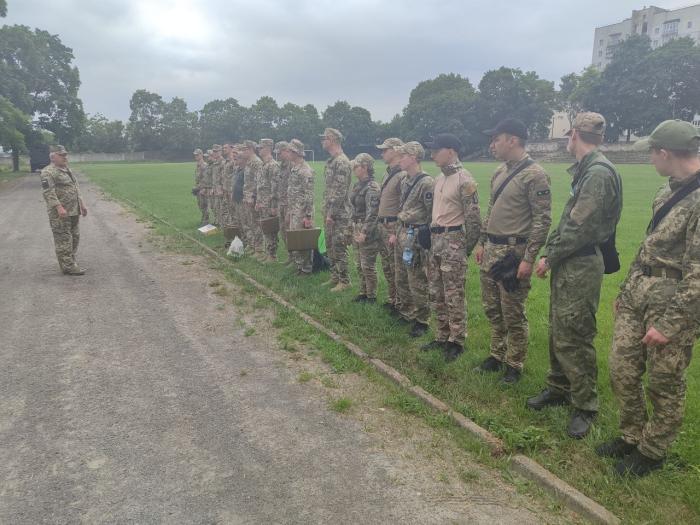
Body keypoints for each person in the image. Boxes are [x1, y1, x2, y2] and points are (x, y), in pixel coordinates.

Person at [597, 119, 700, 476]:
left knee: (664, 381)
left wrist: (670, 323)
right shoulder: (665, 191)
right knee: (621, 368)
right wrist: (626, 291)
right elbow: (646, 248)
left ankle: (652, 451)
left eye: (652, 153)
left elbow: (698, 272)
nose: (650, 159)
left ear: (665, 152)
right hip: (639, 293)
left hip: (673, 302)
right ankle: (631, 435)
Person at [527, 112, 623, 439]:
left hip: (580, 263)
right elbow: (568, 221)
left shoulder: (597, 173)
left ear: (573, 135)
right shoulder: (587, 169)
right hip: (571, 261)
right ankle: (559, 386)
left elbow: (578, 228)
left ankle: (585, 405)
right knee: (560, 327)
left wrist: (549, 256)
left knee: (576, 332)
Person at [474, 119, 552, 383]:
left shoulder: (535, 175)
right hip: (492, 249)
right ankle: (496, 354)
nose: (492, 144)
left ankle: (514, 363)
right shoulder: (499, 172)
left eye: (496, 139)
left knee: (513, 312)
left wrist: (528, 258)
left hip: (513, 253)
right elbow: (491, 209)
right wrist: (482, 241)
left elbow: (542, 219)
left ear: (513, 140)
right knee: (492, 308)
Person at [423, 134, 481, 361]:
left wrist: (464, 248)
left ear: (451, 151)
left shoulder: (464, 180)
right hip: (436, 240)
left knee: (454, 294)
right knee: (436, 291)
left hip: (453, 240)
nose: (432, 155)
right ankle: (441, 335)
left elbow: (473, 220)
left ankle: (456, 340)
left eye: (436, 150)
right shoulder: (439, 179)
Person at [393, 141, 435, 338]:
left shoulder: (427, 183)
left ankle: (422, 319)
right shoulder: (405, 180)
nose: (399, 160)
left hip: (416, 236)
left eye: (403, 156)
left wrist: (425, 237)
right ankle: (407, 311)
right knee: (401, 276)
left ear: (414, 157)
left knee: (417, 279)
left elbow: (431, 213)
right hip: (402, 232)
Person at [40, 145, 88, 275]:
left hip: (73, 210)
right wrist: (59, 207)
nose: (65, 157)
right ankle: (68, 266)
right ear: (53, 157)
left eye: (65, 155)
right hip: (60, 213)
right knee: (63, 239)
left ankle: (70, 260)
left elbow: (75, 187)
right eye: (61, 155)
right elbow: (48, 192)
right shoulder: (47, 172)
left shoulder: (67, 169)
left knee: (75, 236)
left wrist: (82, 204)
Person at [376, 138, 406, 314]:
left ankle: (401, 303)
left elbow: (403, 205)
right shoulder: (388, 173)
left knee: (397, 267)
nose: (382, 154)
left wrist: (396, 231)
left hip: (393, 225)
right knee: (387, 266)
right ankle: (393, 298)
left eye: (385, 150)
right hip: (383, 224)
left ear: (395, 150)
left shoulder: (402, 175)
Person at [320, 128, 352, 292]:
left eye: (324, 138)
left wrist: (331, 213)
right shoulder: (332, 161)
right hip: (330, 212)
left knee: (339, 246)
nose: (322, 141)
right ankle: (335, 276)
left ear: (332, 140)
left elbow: (340, 191)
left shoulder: (341, 162)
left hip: (338, 213)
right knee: (330, 246)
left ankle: (345, 281)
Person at [350, 153, 381, 303]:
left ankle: (371, 295)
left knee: (367, 265)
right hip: (357, 225)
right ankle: (363, 292)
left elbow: (373, 213)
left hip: (367, 228)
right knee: (358, 263)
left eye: (356, 166)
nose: (354, 169)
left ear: (365, 167)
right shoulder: (358, 185)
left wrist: (364, 232)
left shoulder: (372, 187)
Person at [285, 139, 315, 275]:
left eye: (290, 151)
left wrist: (308, 216)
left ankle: (306, 269)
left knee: (303, 241)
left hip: (302, 212)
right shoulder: (294, 168)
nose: (288, 153)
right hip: (294, 210)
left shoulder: (305, 170)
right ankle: (299, 266)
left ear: (296, 152)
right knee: (296, 240)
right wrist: (289, 211)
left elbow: (309, 195)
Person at [257, 138, 281, 261]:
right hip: (262, 203)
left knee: (271, 230)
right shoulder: (263, 165)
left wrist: (273, 206)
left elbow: (275, 188)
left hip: (269, 204)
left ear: (268, 148)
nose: (259, 150)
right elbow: (260, 186)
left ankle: (272, 255)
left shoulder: (273, 165)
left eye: (261, 148)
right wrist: (258, 201)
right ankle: (267, 253)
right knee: (265, 229)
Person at [240, 140, 265, 258]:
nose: (242, 152)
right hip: (247, 197)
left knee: (256, 224)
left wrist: (254, 197)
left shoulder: (256, 162)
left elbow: (259, 182)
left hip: (253, 198)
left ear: (250, 149)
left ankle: (259, 249)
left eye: (244, 149)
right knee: (250, 223)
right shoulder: (249, 162)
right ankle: (254, 246)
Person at [275, 141, 292, 264]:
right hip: (281, 203)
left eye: (280, 153)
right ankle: (290, 256)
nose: (278, 155)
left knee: (290, 231)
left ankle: (295, 258)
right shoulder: (281, 166)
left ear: (286, 151)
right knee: (283, 231)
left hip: (289, 204)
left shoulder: (292, 166)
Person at [193, 148, 209, 225]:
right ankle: (203, 219)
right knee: (200, 205)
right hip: (198, 188)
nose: (196, 156)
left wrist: (198, 188)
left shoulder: (204, 165)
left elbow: (205, 179)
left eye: (197, 155)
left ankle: (206, 221)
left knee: (204, 205)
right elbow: (198, 178)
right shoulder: (198, 165)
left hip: (203, 189)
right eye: (195, 155)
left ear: (201, 155)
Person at [210, 144, 224, 226]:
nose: (214, 153)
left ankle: (222, 225)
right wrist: (213, 188)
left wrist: (221, 188)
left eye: (216, 151)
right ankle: (217, 223)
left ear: (220, 152)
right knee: (216, 207)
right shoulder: (215, 163)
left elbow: (224, 177)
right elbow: (214, 177)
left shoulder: (223, 163)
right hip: (215, 189)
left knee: (222, 208)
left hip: (220, 190)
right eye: (213, 151)